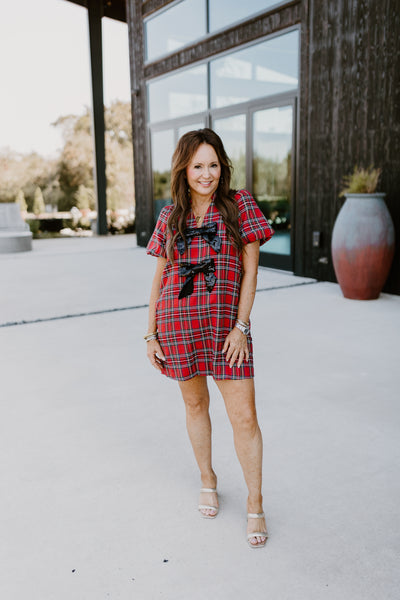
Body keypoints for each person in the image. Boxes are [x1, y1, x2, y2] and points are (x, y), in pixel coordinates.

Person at [145, 128, 273, 548]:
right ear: (184, 169)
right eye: (198, 165)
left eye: (213, 165)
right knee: (195, 404)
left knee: (245, 418)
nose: (206, 174)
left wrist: (242, 326)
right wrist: (151, 333)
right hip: (179, 325)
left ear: (223, 166)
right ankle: (208, 478)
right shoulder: (170, 217)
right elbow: (160, 278)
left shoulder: (240, 205)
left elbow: (251, 271)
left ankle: (255, 503)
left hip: (227, 333)